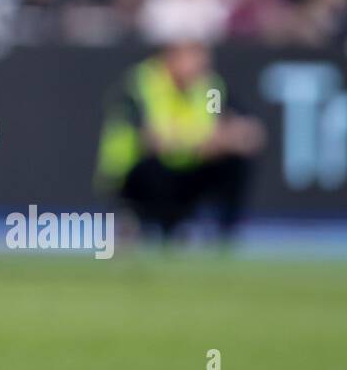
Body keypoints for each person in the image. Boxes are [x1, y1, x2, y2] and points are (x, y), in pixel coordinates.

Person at [96, 40, 264, 242]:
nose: (201, 65)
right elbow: (152, 139)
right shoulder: (143, 82)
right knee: (153, 166)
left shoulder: (210, 88)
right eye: (193, 57)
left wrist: (225, 139)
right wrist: (200, 142)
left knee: (234, 161)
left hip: (186, 169)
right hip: (137, 177)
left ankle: (224, 233)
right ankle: (133, 218)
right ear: (171, 57)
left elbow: (233, 127)